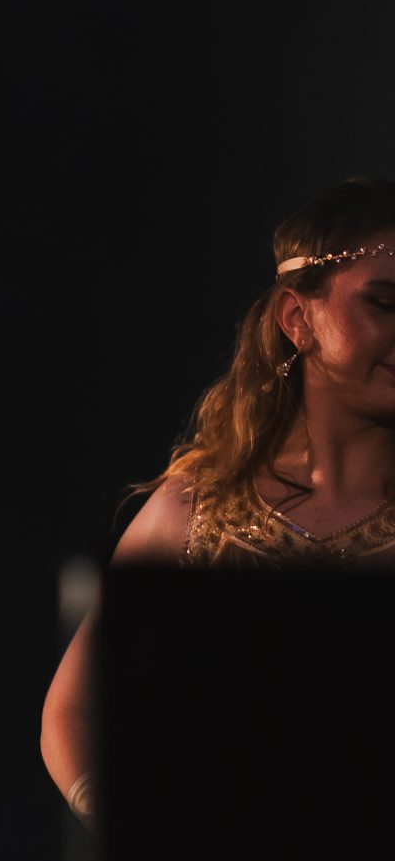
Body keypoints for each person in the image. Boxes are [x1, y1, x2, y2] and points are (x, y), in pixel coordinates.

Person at [43, 175, 395, 814]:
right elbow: (73, 711)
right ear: (298, 318)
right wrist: (124, 828)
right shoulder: (197, 512)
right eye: (386, 303)